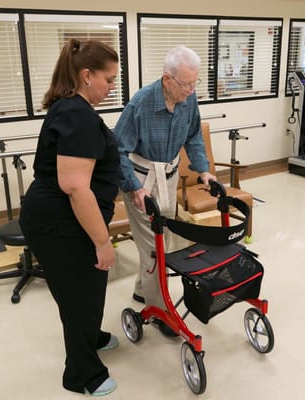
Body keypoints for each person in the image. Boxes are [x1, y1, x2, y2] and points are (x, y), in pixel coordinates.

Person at [19, 39, 120, 396]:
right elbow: (76, 188)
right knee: (80, 295)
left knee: (85, 289)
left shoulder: (74, 109)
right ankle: (82, 375)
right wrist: (103, 242)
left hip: (60, 218)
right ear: (86, 75)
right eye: (109, 80)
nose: (112, 87)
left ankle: (90, 337)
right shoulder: (76, 114)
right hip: (59, 222)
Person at [113, 46, 216, 337]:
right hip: (141, 181)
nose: (190, 90)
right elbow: (117, 150)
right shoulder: (140, 104)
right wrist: (133, 188)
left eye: (194, 83)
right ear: (167, 79)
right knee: (154, 250)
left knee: (161, 241)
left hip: (168, 176)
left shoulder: (188, 99)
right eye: (185, 84)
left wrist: (203, 170)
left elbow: (194, 135)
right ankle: (161, 312)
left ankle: (141, 290)